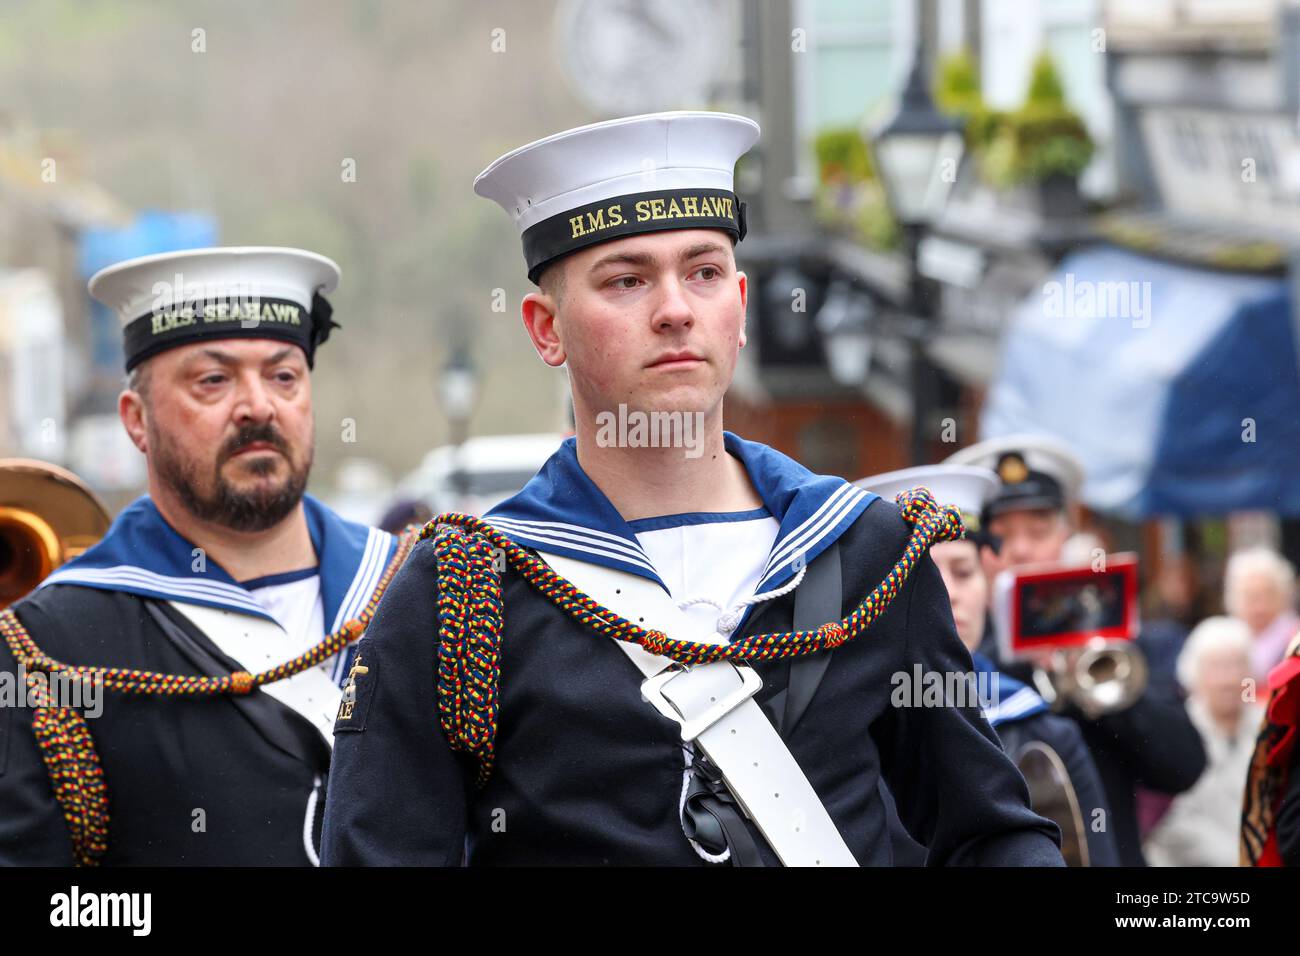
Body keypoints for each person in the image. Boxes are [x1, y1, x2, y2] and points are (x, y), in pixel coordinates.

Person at [320, 111, 1063, 867]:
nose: (675, 309)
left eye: (703, 272)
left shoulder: (871, 551)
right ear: (546, 330)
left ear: (739, 305)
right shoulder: (461, 596)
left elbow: (992, 835)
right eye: (626, 280)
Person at [0, 247, 414, 866]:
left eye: (284, 376)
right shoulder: (46, 648)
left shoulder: (416, 589)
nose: (258, 406)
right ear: (136, 421)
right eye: (213, 381)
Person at [945, 435, 1206, 866]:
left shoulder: (1109, 637)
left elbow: (1184, 766)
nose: (1022, 549)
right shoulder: (958, 651)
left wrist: (1102, 686)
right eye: (1001, 533)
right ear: (977, 548)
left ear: (1065, 535)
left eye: (1039, 529)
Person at [857, 464, 1118, 866]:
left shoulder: (1041, 727)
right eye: (921, 575)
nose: (946, 593)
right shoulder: (844, 724)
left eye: (964, 571)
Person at [1142, 617, 1261, 866]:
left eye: (1236, 665)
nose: (1227, 680)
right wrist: (1241, 858)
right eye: (1216, 667)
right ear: (1193, 673)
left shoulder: (1268, 724)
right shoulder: (1175, 732)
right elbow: (1172, 824)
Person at [1223, 547, 1300, 685]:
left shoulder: (1296, 637)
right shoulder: (1224, 639)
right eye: (1251, 597)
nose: (1260, 607)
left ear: (1283, 595)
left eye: (1268, 595)